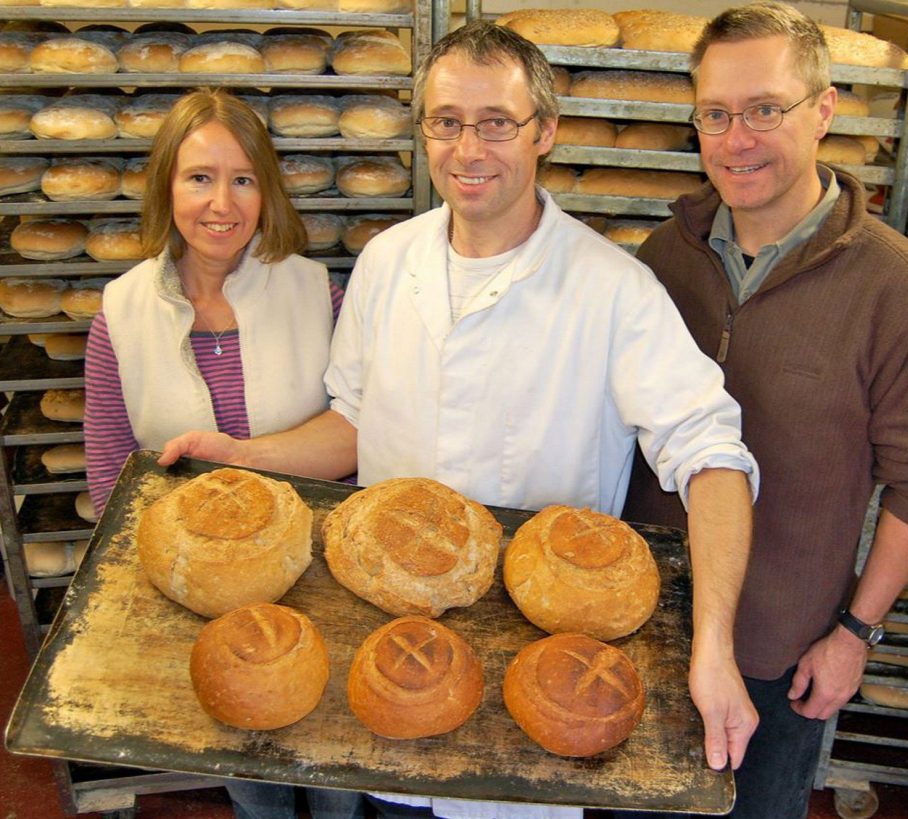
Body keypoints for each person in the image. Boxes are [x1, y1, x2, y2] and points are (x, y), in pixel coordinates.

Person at [160, 22, 761, 819]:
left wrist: (714, 645)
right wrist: (243, 453)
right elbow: (355, 421)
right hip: (392, 672)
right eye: (446, 122)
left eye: (495, 123)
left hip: (532, 691)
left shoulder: (613, 290)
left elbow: (713, 457)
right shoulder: (386, 261)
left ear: (544, 131)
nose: (467, 148)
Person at [620, 4, 908, 819]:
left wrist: (854, 635)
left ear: (824, 110)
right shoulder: (667, 257)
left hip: (781, 645)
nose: (737, 139)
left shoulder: (905, 294)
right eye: (716, 114)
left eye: (765, 109)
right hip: (647, 616)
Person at [82, 89, 361, 819]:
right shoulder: (120, 314)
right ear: (166, 185)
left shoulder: (318, 295)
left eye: (242, 178)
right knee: (251, 779)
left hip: (317, 584)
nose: (221, 203)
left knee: (335, 781)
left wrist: (241, 456)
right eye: (199, 176)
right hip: (200, 598)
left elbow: (357, 440)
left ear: (266, 189)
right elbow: (114, 474)